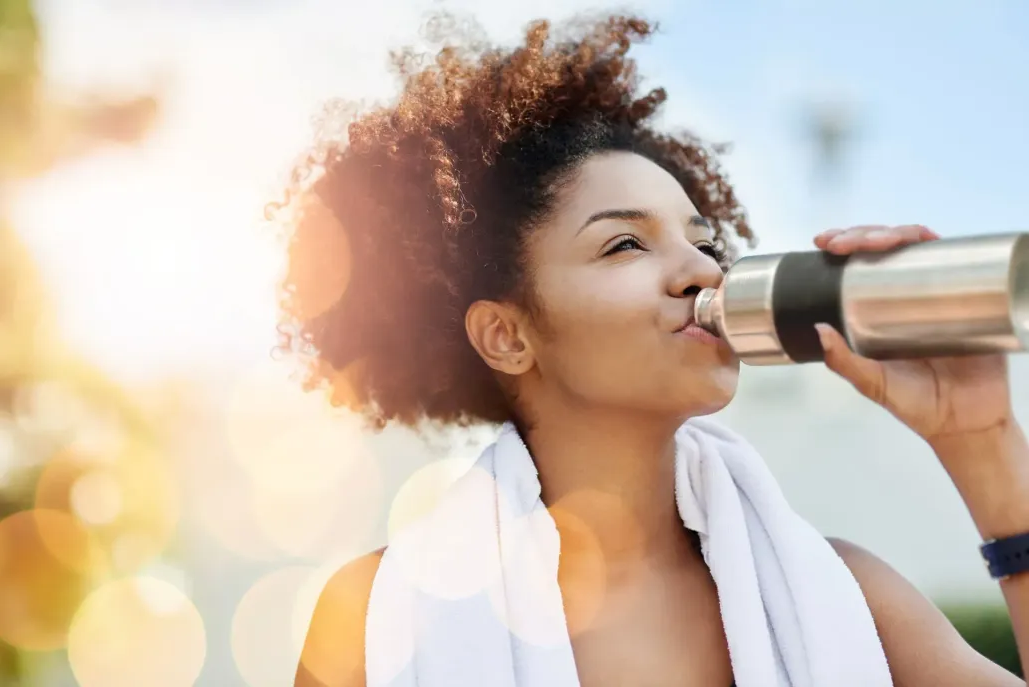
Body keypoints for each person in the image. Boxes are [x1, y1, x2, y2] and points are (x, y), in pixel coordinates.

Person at [276, 14, 1028, 687]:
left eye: (705, 242)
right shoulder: (375, 623)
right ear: (507, 335)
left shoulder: (849, 597)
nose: (704, 270)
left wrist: (981, 440)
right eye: (625, 243)